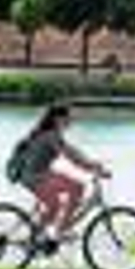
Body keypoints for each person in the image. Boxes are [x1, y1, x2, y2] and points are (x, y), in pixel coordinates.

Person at [8, 103, 108, 245]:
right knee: (73, 190)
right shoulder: (50, 135)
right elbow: (69, 155)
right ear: (58, 119)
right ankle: (56, 232)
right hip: (34, 176)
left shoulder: (52, 134)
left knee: (62, 199)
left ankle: (43, 235)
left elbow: (73, 151)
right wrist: (91, 167)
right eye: (68, 118)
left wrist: (91, 164)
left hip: (38, 174)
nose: (71, 121)